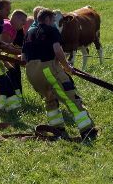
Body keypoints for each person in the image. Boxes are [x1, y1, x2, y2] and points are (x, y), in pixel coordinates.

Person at [22, 8, 99, 140]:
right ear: (47, 19)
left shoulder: (29, 33)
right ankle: (88, 131)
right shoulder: (51, 30)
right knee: (70, 97)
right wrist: (66, 66)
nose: (54, 23)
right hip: (48, 70)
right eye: (52, 20)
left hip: (31, 73)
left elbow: (23, 57)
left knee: (50, 99)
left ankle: (57, 129)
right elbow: (58, 50)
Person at [1, 9, 28, 99]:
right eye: (22, 21)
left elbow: (9, 46)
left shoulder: (13, 28)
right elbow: (4, 48)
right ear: (16, 19)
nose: (24, 24)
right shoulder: (8, 26)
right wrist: (22, 52)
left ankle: (17, 96)